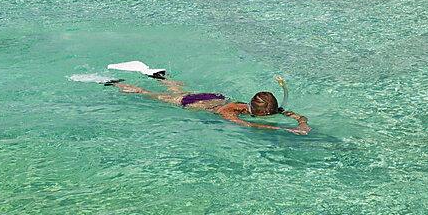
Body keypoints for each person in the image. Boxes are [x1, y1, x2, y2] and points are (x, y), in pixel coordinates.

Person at [106, 75, 309, 134]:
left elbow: (293, 114)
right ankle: (115, 82)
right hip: (195, 103)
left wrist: (302, 123)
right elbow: (248, 125)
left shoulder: (257, 108)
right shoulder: (229, 113)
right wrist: (284, 130)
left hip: (212, 96)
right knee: (147, 94)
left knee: (180, 89)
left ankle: (161, 77)